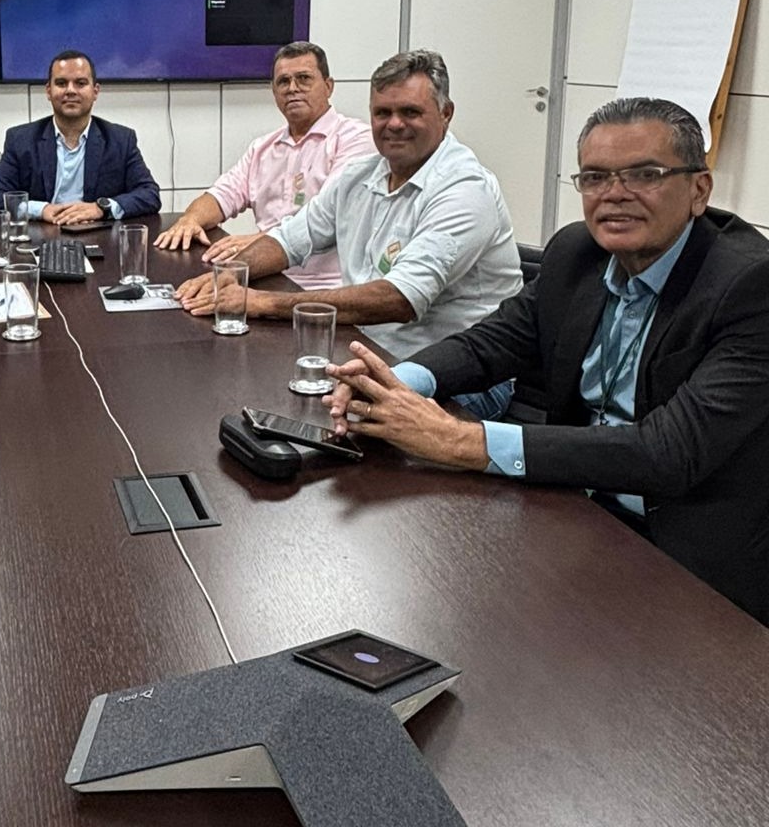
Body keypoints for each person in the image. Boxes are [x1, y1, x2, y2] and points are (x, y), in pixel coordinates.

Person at [325, 97, 769, 624]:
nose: (615, 194)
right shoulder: (577, 253)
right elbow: (491, 342)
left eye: (644, 175)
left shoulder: (749, 286)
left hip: (687, 555)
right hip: (574, 510)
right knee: (428, 598)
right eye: (596, 177)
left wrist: (459, 440)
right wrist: (391, 383)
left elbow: (667, 452)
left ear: (699, 190)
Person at [175, 49, 521, 364]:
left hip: (454, 373)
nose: (394, 124)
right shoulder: (360, 175)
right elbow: (290, 239)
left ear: (446, 114)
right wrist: (228, 276)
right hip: (365, 347)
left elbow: (399, 299)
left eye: (410, 112)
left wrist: (260, 302)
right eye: (382, 113)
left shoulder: (464, 189)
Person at [153, 42, 375, 289]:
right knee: (184, 295)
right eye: (283, 82)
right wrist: (190, 219)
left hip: (326, 288)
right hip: (263, 277)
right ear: (274, 91)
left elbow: (326, 219)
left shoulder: (356, 139)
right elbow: (222, 194)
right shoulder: (263, 148)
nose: (292, 88)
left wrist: (262, 243)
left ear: (328, 86)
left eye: (304, 79)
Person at [0, 50, 160, 224]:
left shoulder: (121, 140)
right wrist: (41, 210)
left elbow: (149, 194)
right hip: (42, 235)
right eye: (61, 83)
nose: (70, 90)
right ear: (48, 91)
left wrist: (100, 208)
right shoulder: (20, 140)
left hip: (98, 235)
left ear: (95, 91)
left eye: (80, 83)